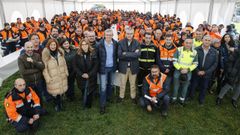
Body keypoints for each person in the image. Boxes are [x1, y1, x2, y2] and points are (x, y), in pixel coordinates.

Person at [188, 35, 218, 105]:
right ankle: (190, 96)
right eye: (206, 40)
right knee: (193, 85)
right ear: (202, 40)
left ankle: (201, 99)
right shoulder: (196, 49)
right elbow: (192, 61)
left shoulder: (214, 51)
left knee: (204, 87)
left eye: (209, 40)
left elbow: (215, 64)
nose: (207, 41)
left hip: (207, 73)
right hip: (196, 72)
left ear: (211, 42)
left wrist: (206, 72)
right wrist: (197, 71)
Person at [42, 39, 68, 111]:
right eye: (51, 45)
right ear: (48, 45)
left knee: (60, 90)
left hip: (61, 74)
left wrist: (66, 72)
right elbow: (44, 68)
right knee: (55, 92)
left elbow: (64, 63)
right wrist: (47, 77)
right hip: (52, 76)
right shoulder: (46, 54)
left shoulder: (60, 52)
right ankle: (56, 104)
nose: (53, 46)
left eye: (54, 45)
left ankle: (60, 103)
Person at [172, 38, 198, 105]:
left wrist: (188, 70)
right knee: (175, 87)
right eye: (187, 42)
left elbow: (195, 64)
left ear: (192, 44)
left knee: (185, 88)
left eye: (190, 43)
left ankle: (181, 101)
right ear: (184, 43)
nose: (188, 44)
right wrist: (180, 69)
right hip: (178, 70)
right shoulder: (179, 49)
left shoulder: (194, 52)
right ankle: (173, 100)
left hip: (188, 72)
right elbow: (174, 60)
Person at [118, 27, 141, 104]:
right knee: (122, 83)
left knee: (133, 84)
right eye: (128, 33)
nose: (129, 35)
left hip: (133, 66)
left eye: (131, 33)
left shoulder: (137, 42)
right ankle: (121, 97)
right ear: (125, 33)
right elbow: (120, 55)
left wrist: (126, 54)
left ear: (133, 34)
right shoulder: (121, 42)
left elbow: (138, 55)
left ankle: (133, 97)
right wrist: (133, 54)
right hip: (123, 66)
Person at [73, 39, 98, 108]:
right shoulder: (77, 54)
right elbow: (75, 66)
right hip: (81, 76)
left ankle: (89, 104)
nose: (84, 46)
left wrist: (89, 74)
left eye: (86, 44)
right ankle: (84, 100)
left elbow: (96, 65)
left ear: (88, 45)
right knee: (83, 89)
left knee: (90, 90)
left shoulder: (93, 53)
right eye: (83, 45)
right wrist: (81, 74)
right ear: (80, 46)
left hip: (91, 76)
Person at [98, 29, 118, 114]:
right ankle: (102, 105)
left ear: (112, 35)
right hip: (103, 68)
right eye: (107, 35)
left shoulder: (115, 44)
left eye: (110, 35)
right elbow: (98, 57)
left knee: (111, 84)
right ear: (104, 35)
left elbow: (117, 55)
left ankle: (108, 98)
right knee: (103, 87)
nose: (108, 36)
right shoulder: (100, 45)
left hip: (112, 67)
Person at [138, 32, 157, 97]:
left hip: (150, 69)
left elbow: (156, 58)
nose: (148, 39)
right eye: (146, 38)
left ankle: (149, 95)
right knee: (140, 82)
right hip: (141, 68)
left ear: (151, 38)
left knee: (149, 82)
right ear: (144, 38)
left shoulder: (154, 47)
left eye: (149, 38)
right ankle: (140, 94)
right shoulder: (140, 46)